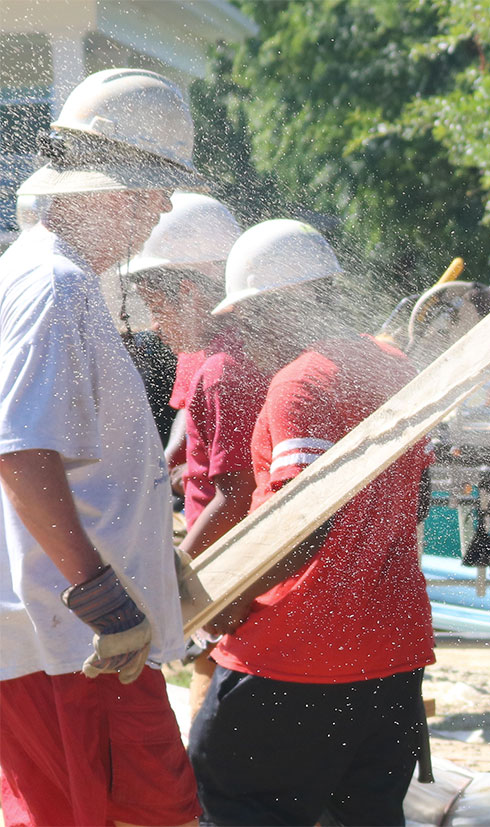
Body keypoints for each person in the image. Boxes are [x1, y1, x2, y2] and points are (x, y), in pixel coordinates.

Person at [0, 68, 207, 827]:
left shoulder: (44, 274)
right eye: (159, 192)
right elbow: (21, 454)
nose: (162, 211)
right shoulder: (55, 285)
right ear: (119, 190)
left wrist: (148, 549)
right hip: (75, 636)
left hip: (65, 629)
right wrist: (101, 592)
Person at [185, 219, 434, 826]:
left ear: (277, 306)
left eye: (247, 318)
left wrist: (226, 603)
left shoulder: (301, 381)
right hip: (391, 651)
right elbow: (419, 496)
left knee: (231, 806)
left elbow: (302, 526)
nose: (245, 337)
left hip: (292, 653)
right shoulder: (394, 366)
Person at [122, 191, 246, 716]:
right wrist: (169, 461)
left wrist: (176, 577)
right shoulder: (201, 349)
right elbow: (188, 420)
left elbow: (236, 495)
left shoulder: (228, 365)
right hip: (212, 557)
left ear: (191, 292)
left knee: (215, 714)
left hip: (228, 564)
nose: (153, 324)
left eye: (157, 306)